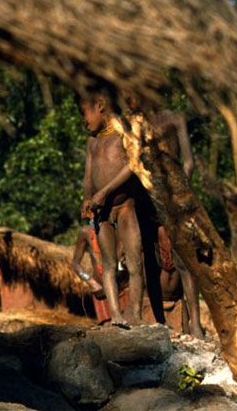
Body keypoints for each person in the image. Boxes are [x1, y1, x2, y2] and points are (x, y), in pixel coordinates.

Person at [122, 94, 205, 339]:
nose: (128, 99)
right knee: (151, 258)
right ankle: (159, 321)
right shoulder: (131, 125)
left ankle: (195, 323)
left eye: (132, 94)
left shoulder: (174, 119)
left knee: (185, 261)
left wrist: (179, 191)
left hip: (173, 195)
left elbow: (187, 161)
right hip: (146, 197)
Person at [78, 87, 146, 326]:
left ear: (99, 105)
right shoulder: (92, 143)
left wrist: (104, 192)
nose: (83, 121)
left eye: (84, 113)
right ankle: (116, 315)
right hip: (101, 213)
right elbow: (88, 177)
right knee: (107, 264)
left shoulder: (123, 132)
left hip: (125, 207)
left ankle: (136, 315)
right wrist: (88, 199)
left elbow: (133, 165)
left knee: (135, 261)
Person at [71, 212, 129, 324]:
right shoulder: (86, 232)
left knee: (131, 324)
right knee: (109, 329)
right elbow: (75, 264)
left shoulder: (120, 228)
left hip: (124, 286)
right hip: (102, 290)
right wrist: (91, 282)